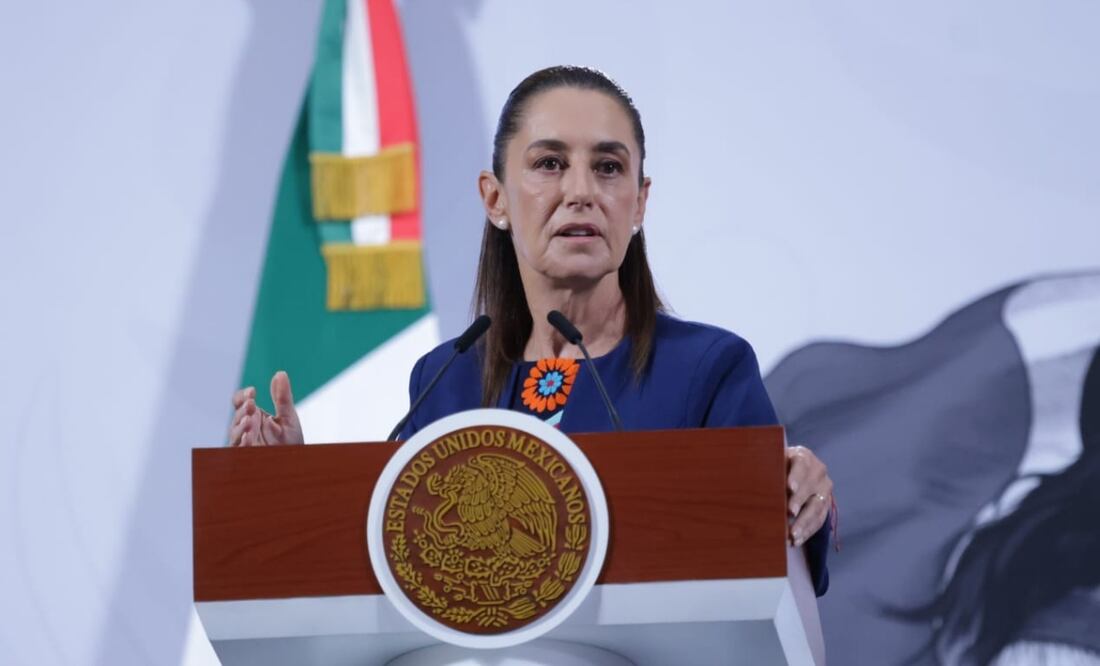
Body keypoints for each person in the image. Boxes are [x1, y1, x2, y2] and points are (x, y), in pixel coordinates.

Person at [229, 65, 835, 594]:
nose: (581, 192)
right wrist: (293, 486)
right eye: (550, 164)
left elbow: (771, 554)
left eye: (608, 168)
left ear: (640, 201)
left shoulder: (707, 367)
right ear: (495, 199)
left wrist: (801, 492)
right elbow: (390, 564)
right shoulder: (446, 381)